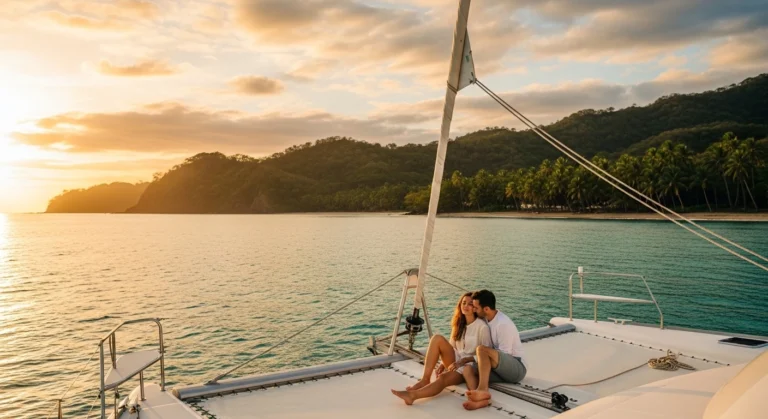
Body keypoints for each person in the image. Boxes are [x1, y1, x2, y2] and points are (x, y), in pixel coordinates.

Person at [391, 292, 492, 405]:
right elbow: (452, 346)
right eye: (463, 303)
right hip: (457, 360)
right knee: (436, 338)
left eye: (470, 304)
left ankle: (413, 396)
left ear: (475, 308)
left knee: (443, 379)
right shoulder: (459, 324)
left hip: (470, 367)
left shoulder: (482, 327)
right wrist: (444, 364)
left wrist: (463, 361)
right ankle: (425, 379)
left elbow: (486, 355)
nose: (465, 306)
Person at [464, 289, 526, 410]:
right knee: (468, 370)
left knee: (481, 349)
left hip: (516, 368)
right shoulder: (487, 319)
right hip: (500, 365)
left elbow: (506, 354)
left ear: (486, 309)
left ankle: (483, 389)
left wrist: (481, 358)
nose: (474, 310)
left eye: (476, 307)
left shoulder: (502, 324)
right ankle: (480, 400)